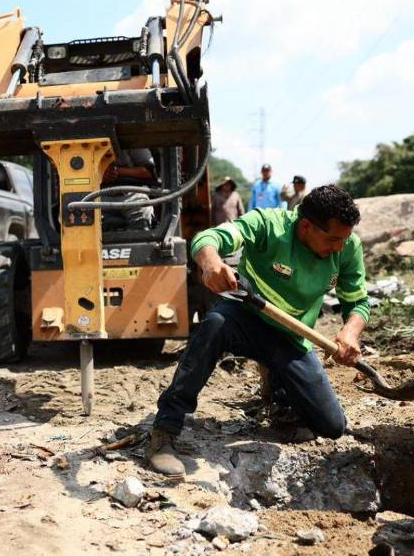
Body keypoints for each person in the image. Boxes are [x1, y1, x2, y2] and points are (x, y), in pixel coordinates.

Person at [147, 185, 369, 479]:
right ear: (305, 226)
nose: (339, 247)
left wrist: (350, 332)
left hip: (291, 336)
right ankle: (165, 430)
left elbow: (358, 302)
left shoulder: (348, 247)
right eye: (333, 239)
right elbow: (208, 238)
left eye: (345, 239)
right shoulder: (268, 224)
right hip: (245, 316)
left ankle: (277, 389)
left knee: (332, 427)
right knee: (213, 325)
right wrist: (211, 262)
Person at [101, 148, 157, 231]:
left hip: (132, 194)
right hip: (98, 196)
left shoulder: (133, 142)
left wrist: (117, 171)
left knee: (143, 210)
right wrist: (100, 173)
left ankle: (139, 240)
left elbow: (148, 172)